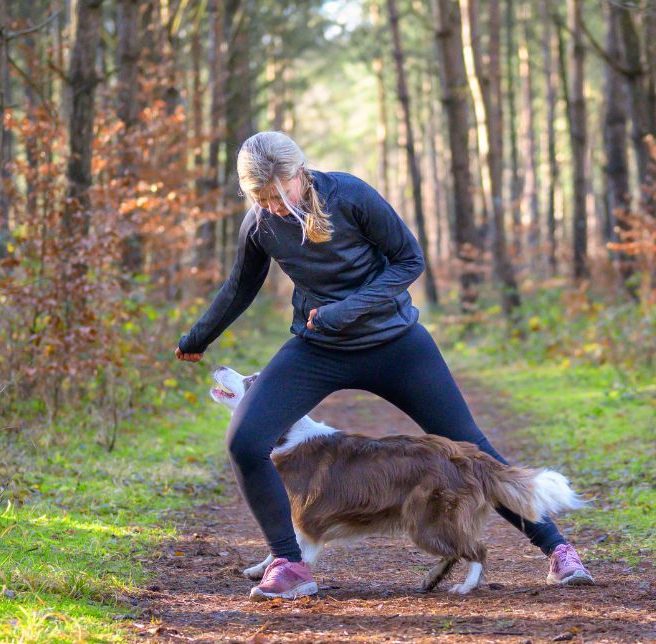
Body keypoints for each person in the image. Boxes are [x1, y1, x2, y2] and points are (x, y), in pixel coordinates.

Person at [175, 131, 594, 600]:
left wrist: (347, 309)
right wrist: (198, 337)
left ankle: (557, 551)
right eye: (260, 197)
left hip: (394, 342)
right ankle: (290, 564)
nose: (272, 205)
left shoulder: (350, 195)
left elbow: (408, 260)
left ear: (300, 174)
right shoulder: (260, 224)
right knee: (245, 440)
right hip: (318, 348)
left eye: (279, 194)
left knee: (470, 446)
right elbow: (239, 287)